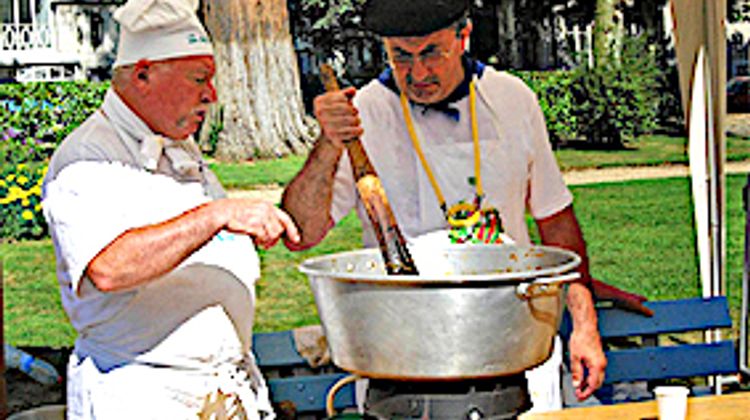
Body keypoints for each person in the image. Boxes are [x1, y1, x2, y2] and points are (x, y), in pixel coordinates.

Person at [283, 0, 651, 415]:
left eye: (431, 53)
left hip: (516, 343)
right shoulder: (364, 111)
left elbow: (556, 219)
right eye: (401, 56)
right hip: (406, 353)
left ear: (463, 37)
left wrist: (584, 325)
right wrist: (328, 144)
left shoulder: (512, 100)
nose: (418, 74)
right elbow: (301, 232)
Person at [41, 0, 299, 418]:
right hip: (141, 394)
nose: (211, 95)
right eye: (199, 79)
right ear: (142, 75)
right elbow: (107, 267)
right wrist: (216, 214)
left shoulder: (176, 146)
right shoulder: (87, 155)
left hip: (216, 389)